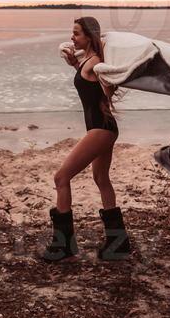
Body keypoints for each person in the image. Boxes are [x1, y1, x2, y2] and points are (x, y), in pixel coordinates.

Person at [41, 16, 132, 263]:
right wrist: (74, 64)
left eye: (76, 33)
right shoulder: (88, 62)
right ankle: (118, 244)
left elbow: (105, 89)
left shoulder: (97, 64)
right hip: (104, 128)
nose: (72, 38)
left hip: (101, 129)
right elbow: (88, 83)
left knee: (61, 177)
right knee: (101, 178)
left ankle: (64, 245)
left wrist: (110, 86)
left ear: (89, 37)